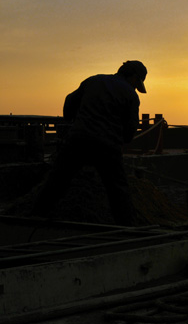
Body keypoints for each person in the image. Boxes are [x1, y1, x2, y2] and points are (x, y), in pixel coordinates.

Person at [32, 61, 148, 225]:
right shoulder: (130, 95)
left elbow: (70, 101)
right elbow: (130, 131)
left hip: (77, 140)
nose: (136, 88)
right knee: (117, 188)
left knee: (57, 180)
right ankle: (127, 227)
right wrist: (119, 139)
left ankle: (35, 217)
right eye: (138, 84)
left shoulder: (93, 81)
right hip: (107, 146)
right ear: (135, 78)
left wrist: (72, 119)